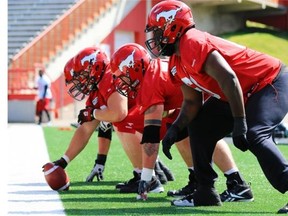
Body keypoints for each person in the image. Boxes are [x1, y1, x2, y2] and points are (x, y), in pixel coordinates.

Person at [144, 0, 288, 212]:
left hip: (269, 81)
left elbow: (229, 78)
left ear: (174, 27)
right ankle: (205, 192)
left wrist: (240, 122)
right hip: (240, 91)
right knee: (199, 125)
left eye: (158, 31)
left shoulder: (192, 41)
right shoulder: (176, 62)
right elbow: (192, 102)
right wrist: (175, 128)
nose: (154, 38)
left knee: (256, 134)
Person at [110, 43, 253, 201]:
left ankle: (237, 183)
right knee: (179, 129)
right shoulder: (154, 70)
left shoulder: (151, 80)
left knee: (202, 132)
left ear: (135, 68)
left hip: (211, 95)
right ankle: (197, 180)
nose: (121, 81)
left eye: (123, 75)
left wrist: (145, 178)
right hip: (196, 98)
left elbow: (151, 135)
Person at [49, 46, 169, 194]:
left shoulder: (109, 77)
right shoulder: (97, 89)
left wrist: (94, 113)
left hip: (163, 111)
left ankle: (147, 177)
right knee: (113, 119)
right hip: (152, 114)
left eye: (82, 75)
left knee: (120, 121)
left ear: (95, 67)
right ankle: (145, 173)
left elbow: (118, 114)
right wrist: (64, 160)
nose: (81, 82)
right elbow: (86, 129)